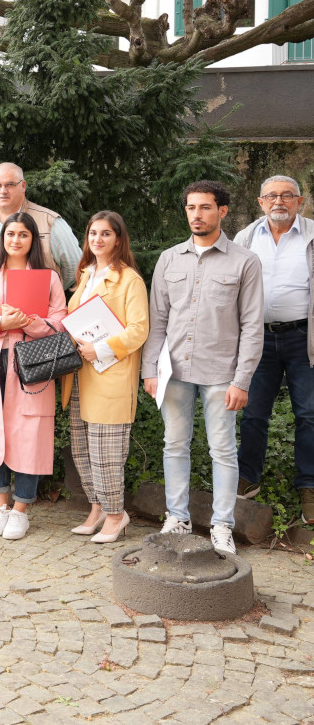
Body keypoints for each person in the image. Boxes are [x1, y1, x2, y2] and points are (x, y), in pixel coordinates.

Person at [143, 181, 264, 556]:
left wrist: (242, 379)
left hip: (221, 373)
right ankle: (177, 518)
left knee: (223, 450)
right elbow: (157, 320)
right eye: (192, 208)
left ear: (222, 211)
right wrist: (150, 369)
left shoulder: (245, 261)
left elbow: (252, 325)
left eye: (206, 207)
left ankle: (222, 525)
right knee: (174, 445)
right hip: (174, 371)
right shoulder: (169, 259)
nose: (197, 214)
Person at [0, 212, 68, 540]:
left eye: (23, 234)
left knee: (29, 433)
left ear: (33, 240)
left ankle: (21, 510)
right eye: (10, 234)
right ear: (1, 239)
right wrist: (1, 324)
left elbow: (60, 320)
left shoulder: (47, 277)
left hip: (31, 363)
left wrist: (28, 323)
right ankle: (0, 506)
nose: (16, 240)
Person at [60, 212, 149, 543]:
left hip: (109, 373)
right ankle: (97, 508)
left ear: (118, 239)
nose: (97, 239)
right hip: (81, 373)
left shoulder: (130, 280)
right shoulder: (85, 275)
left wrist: (102, 348)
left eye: (105, 234)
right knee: (82, 449)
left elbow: (139, 330)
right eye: (93, 233)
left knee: (106, 452)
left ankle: (116, 515)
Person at [233, 176, 314, 524]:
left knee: (309, 415)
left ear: (300, 201)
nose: (278, 201)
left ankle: (308, 486)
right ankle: (247, 481)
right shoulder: (246, 238)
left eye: (286, 195)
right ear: (260, 201)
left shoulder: (312, 235)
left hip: (305, 338)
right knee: (253, 414)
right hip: (258, 339)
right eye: (271, 196)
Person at [0, 162, 83, 291]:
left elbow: (75, 266)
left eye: (10, 184)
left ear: (23, 186)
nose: (3, 191)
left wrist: (50, 292)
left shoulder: (50, 222)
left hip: (33, 308)